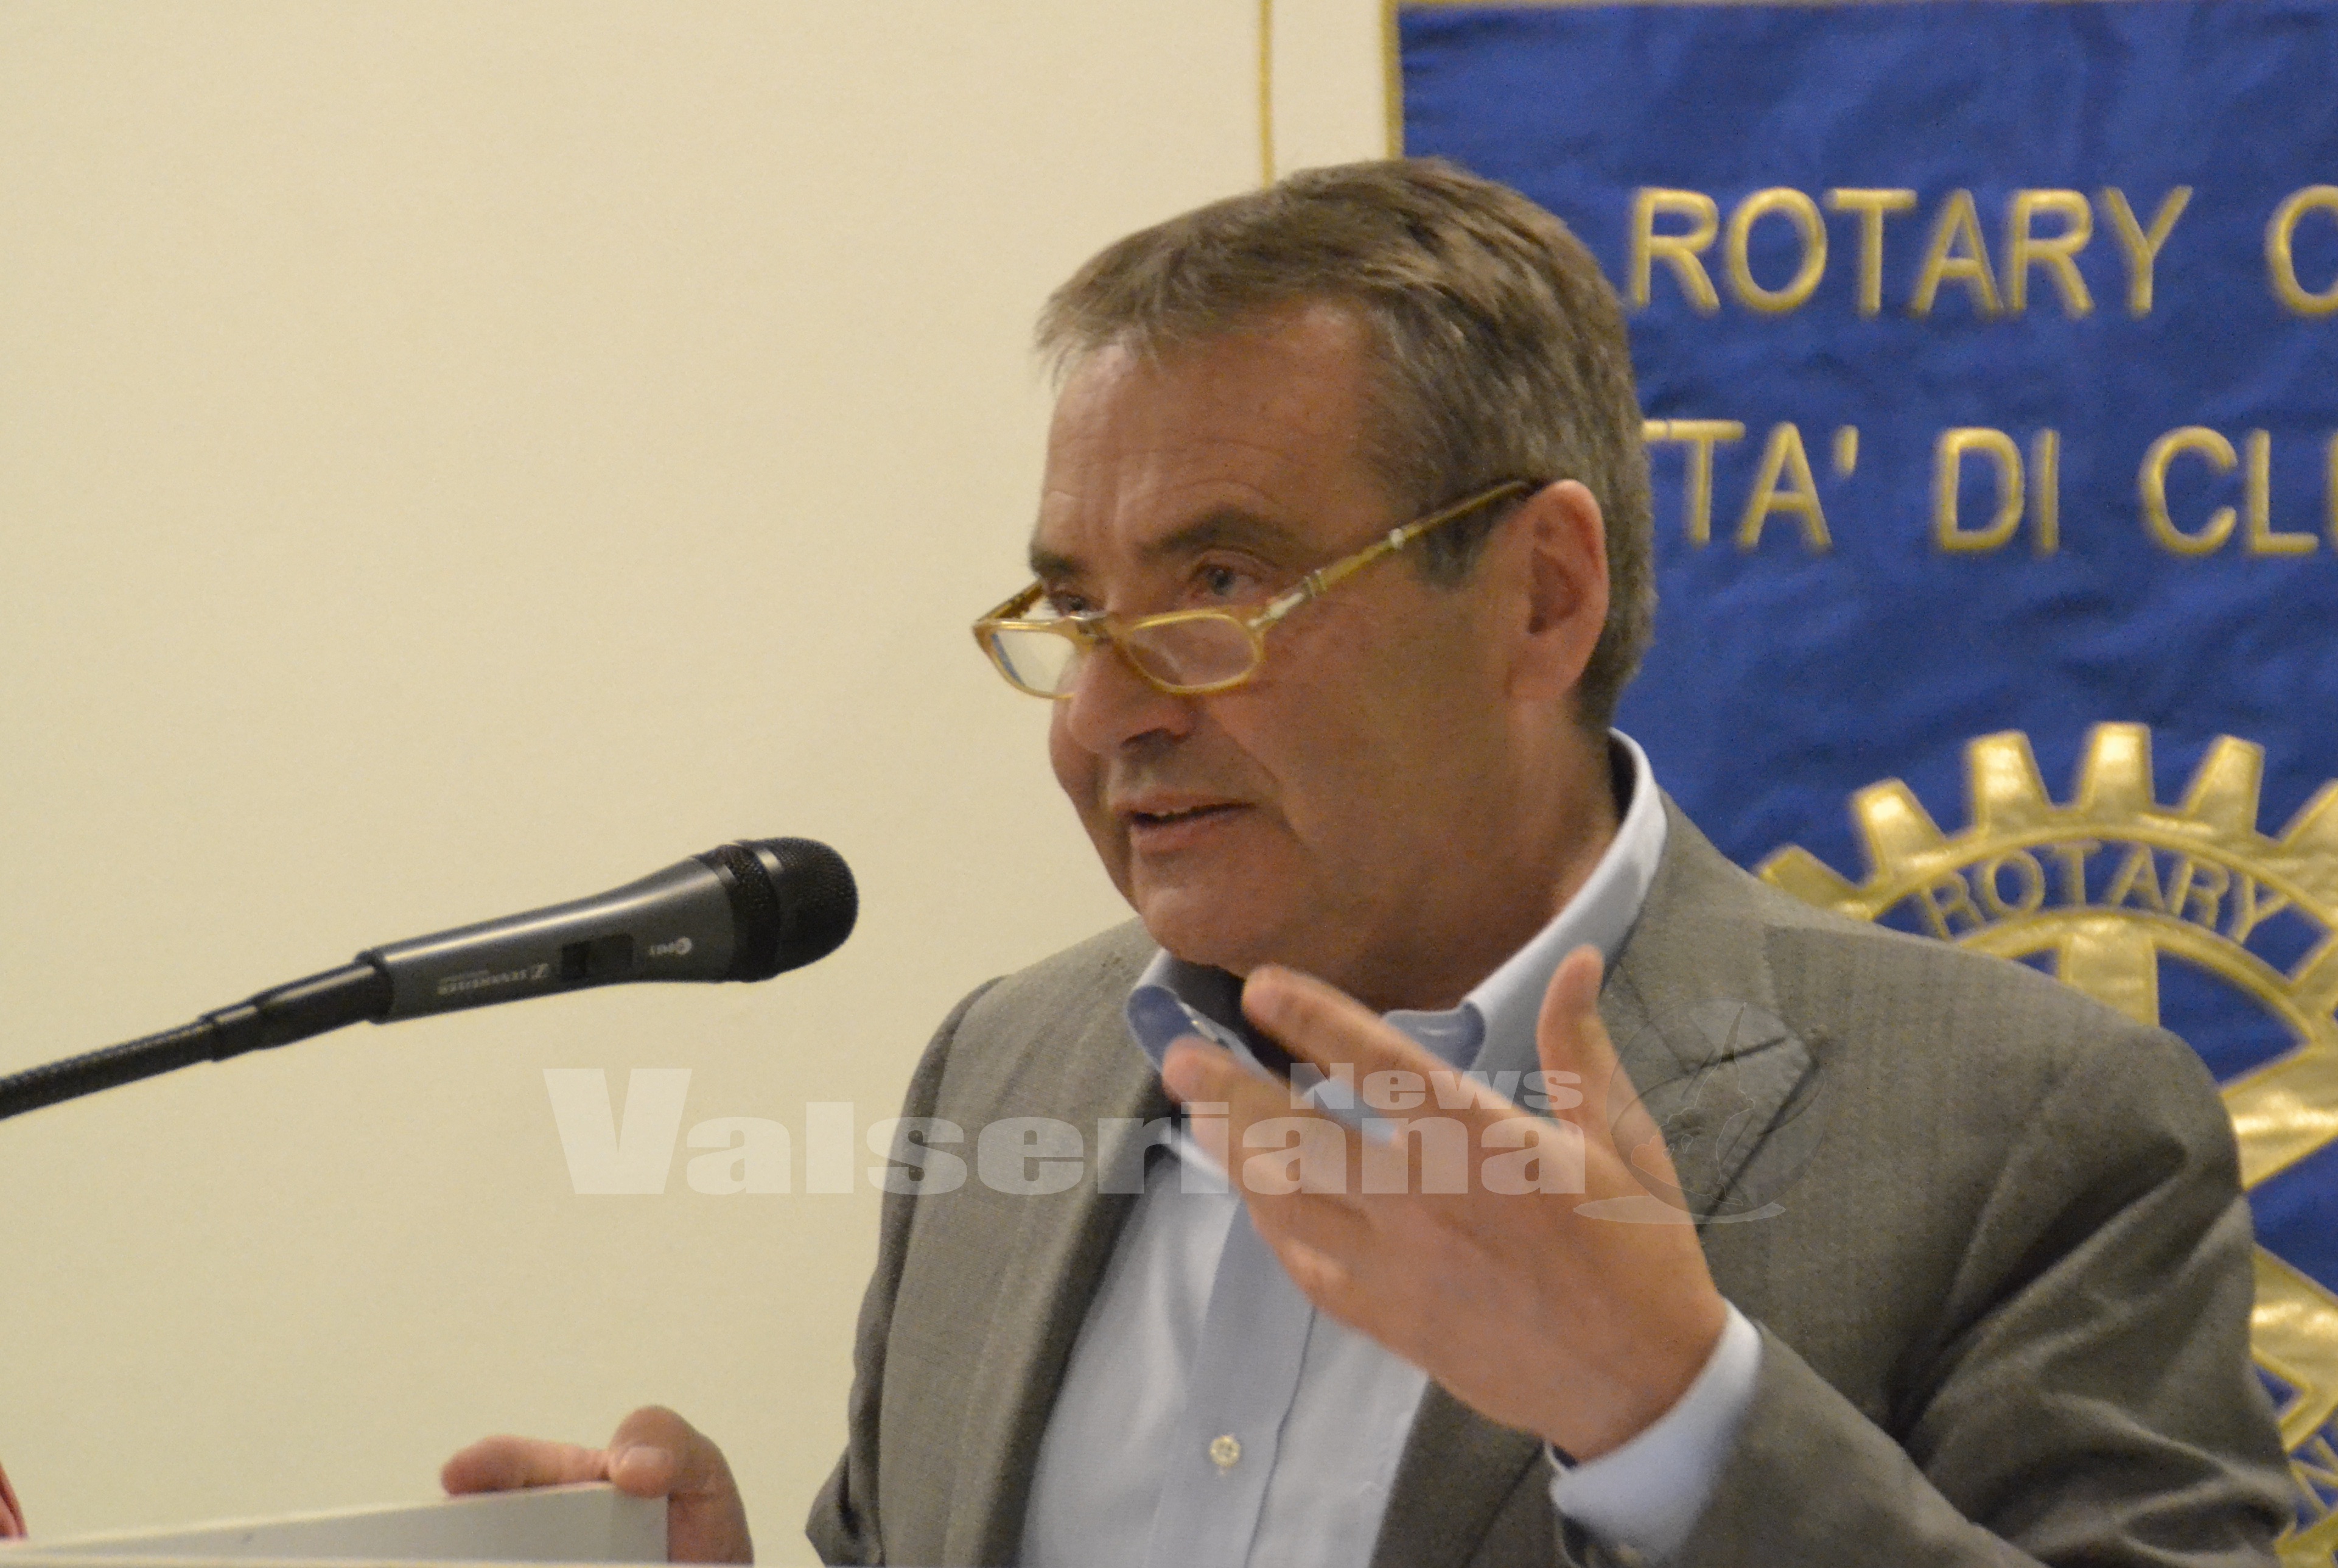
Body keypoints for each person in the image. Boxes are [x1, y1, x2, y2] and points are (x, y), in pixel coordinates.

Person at [447, 159, 2293, 1566]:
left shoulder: (2026, 1128)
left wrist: (1669, 1418)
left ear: (1540, 596)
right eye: (1075, 610)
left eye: (1221, 585)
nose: (1106, 714)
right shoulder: (1006, 1068)